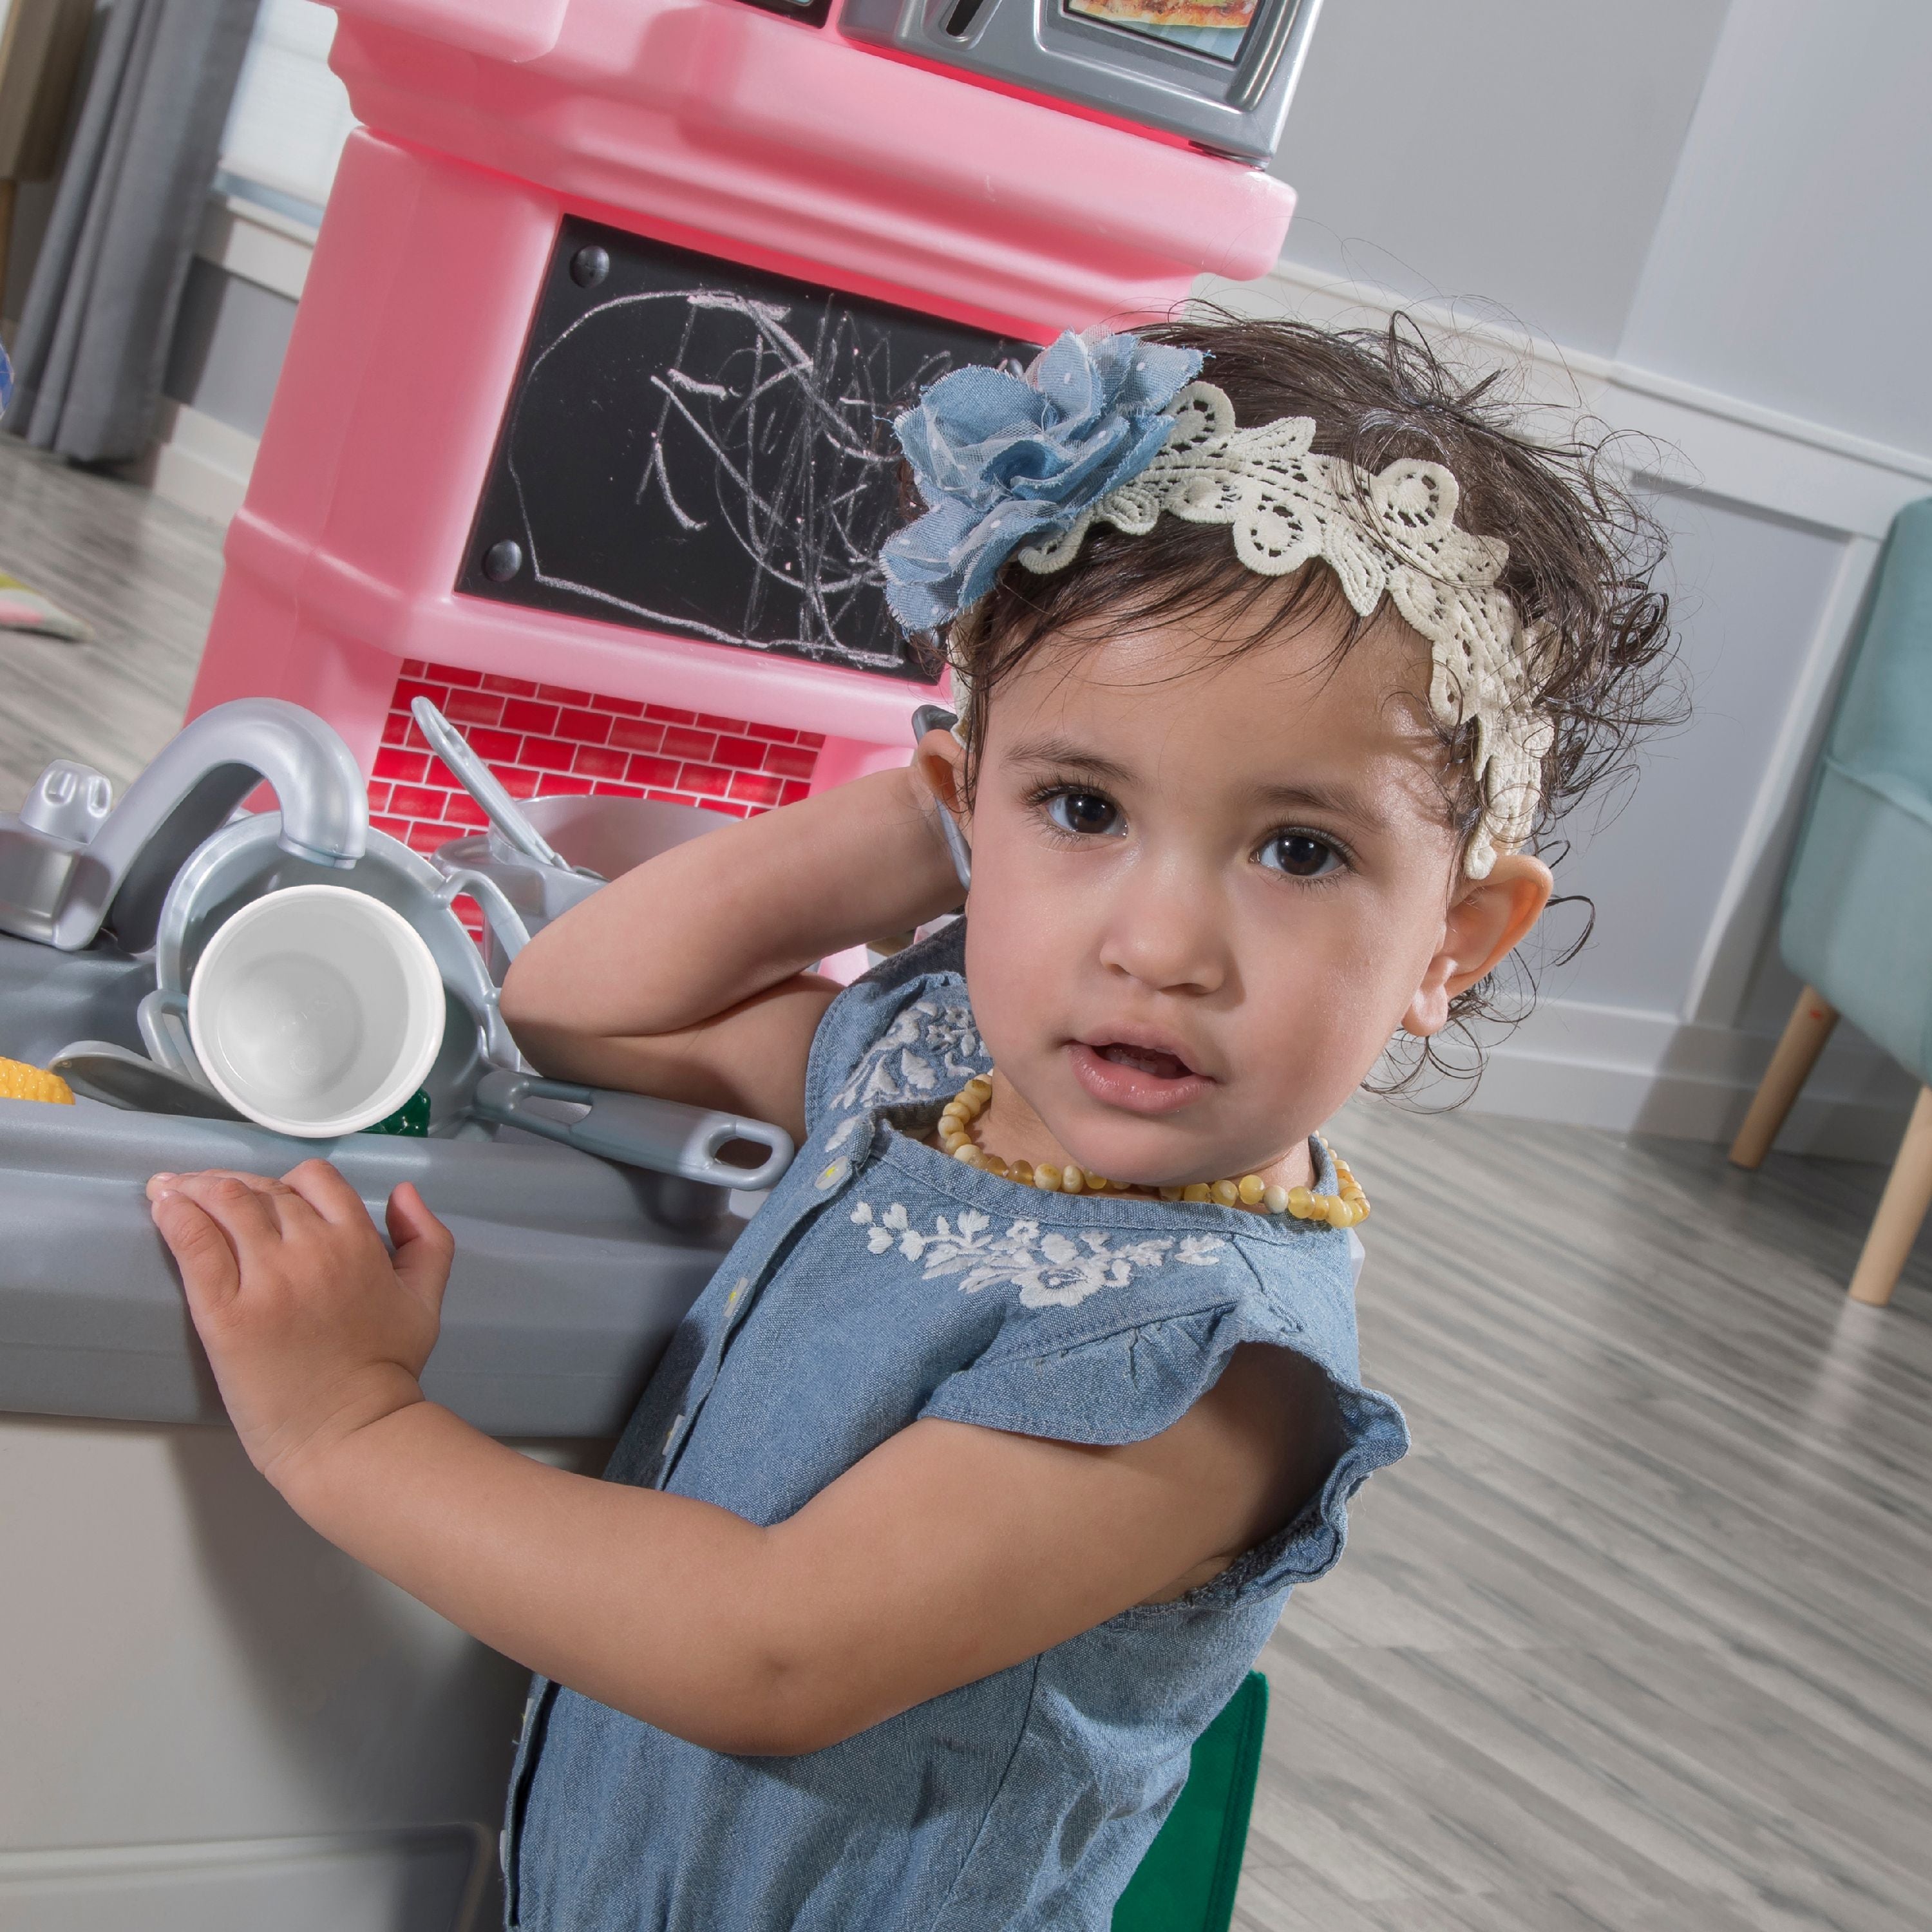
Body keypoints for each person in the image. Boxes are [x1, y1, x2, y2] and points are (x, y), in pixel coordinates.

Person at [145, 316, 1673, 1931]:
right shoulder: (928, 1073)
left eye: (1299, 851)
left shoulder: (1208, 1365)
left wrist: (350, 1429)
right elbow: (582, 1006)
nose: (1158, 946)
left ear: (1456, 939)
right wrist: (922, 820)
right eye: (1083, 810)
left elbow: (768, 1652)